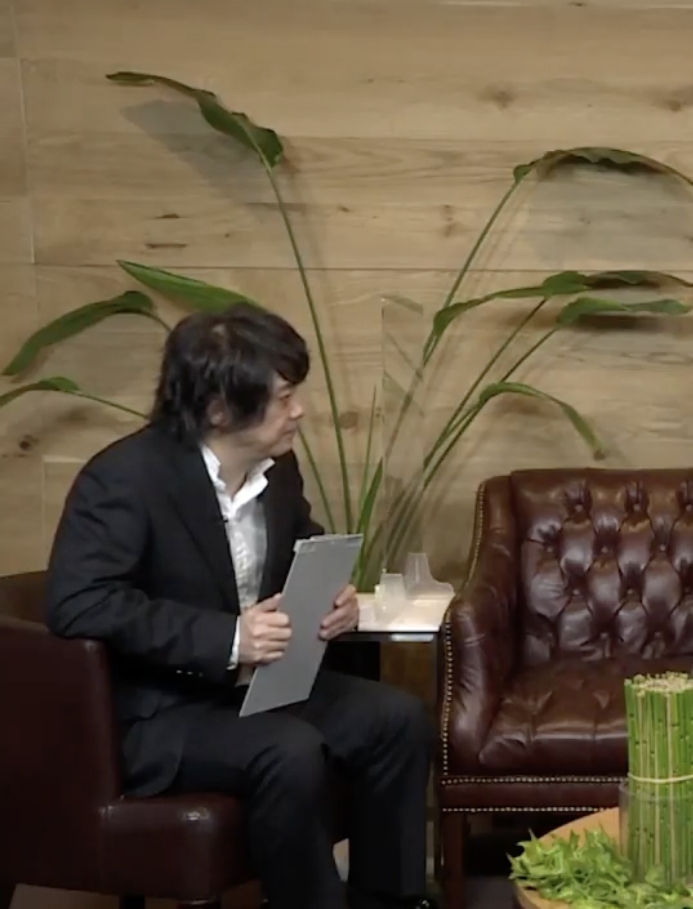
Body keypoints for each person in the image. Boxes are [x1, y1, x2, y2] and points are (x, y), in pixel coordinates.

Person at [44, 304, 436, 909]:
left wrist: (333, 598)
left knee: (397, 719)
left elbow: (301, 544)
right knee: (288, 749)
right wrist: (227, 638)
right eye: (283, 398)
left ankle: (389, 901)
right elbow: (78, 602)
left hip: (255, 690)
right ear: (219, 409)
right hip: (160, 711)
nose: (298, 411)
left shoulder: (277, 469)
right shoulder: (124, 479)